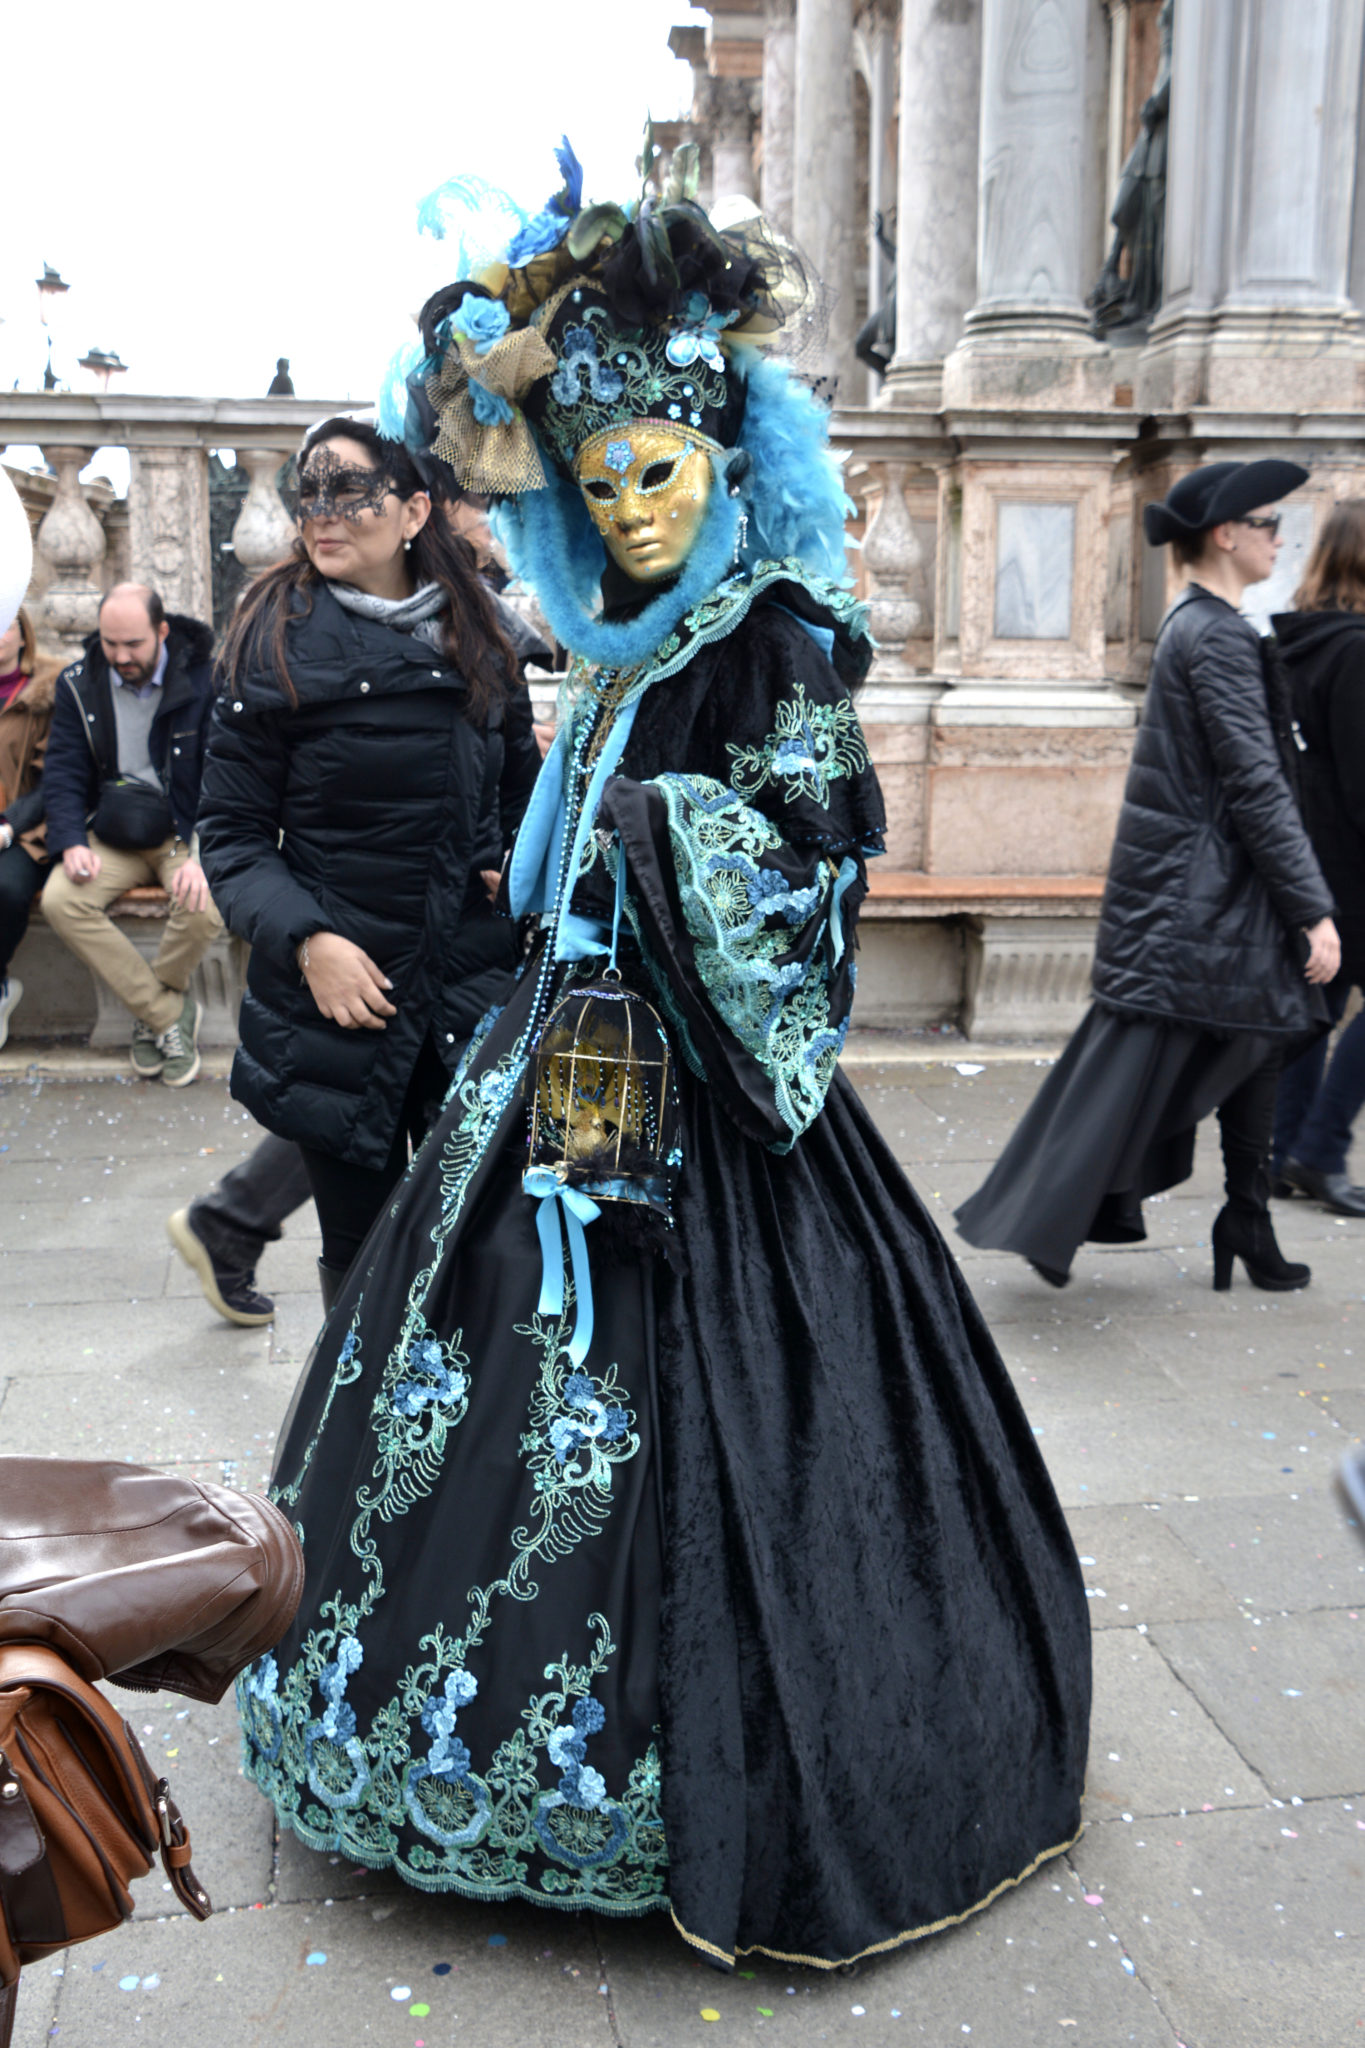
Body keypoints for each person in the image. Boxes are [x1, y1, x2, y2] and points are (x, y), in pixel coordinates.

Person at [233, 144, 1091, 1974]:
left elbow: (809, 860)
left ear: (731, 462)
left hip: (703, 1091)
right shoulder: (619, 641)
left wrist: (665, 831)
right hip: (557, 1060)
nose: (631, 507)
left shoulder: (776, 635)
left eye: (664, 470)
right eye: (599, 477)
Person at [958, 461, 1339, 1291]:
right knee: (1138, 1067)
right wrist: (1310, 908)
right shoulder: (1218, 637)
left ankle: (1246, 1221)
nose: (1280, 535)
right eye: (1267, 521)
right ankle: (1053, 1213)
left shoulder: (1197, 626)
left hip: (1197, 890)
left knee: (1261, 1036)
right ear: (1225, 533)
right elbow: (1253, 783)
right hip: (1199, 897)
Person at [196, 418, 541, 1311]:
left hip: (469, 988)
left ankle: (457, 1448)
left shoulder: (486, 639)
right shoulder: (268, 642)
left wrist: (512, 864)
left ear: (416, 509)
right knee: (362, 1276)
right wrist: (310, 941)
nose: (325, 515)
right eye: (311, 495)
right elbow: (231, 841)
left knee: (487, 1251)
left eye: (352, 494)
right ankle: (350, 1447)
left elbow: (521, 803)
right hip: (335, 1006)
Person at [40, 584, 221, 1087]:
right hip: (113, 831)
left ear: (162, 631)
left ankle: (152, 1017)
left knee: (205, 905)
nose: (120, 656)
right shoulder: (80, 682)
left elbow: (223, 773)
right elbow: (63, 770)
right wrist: (72, 840)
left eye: (133, 644)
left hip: (181, 834)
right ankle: (167, 1015)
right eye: (109, 642)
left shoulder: (204, 679)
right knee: (60, 900)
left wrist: (201, 854)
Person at [1269, 502, 1365, 1216]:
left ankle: (1282, 1151)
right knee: (1319, 1004)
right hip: (1351, 860)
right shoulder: (1356, 649)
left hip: (1305, 857)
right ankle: (1318, 1148)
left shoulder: (1293, 643)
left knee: (1314, 1005)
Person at [0, 607, 61, 1045]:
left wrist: (7, 825)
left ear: (24, 637)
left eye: (5, 625)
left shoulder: (46, 694)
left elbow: (54, 779)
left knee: (7, 888)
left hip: (25, 830)